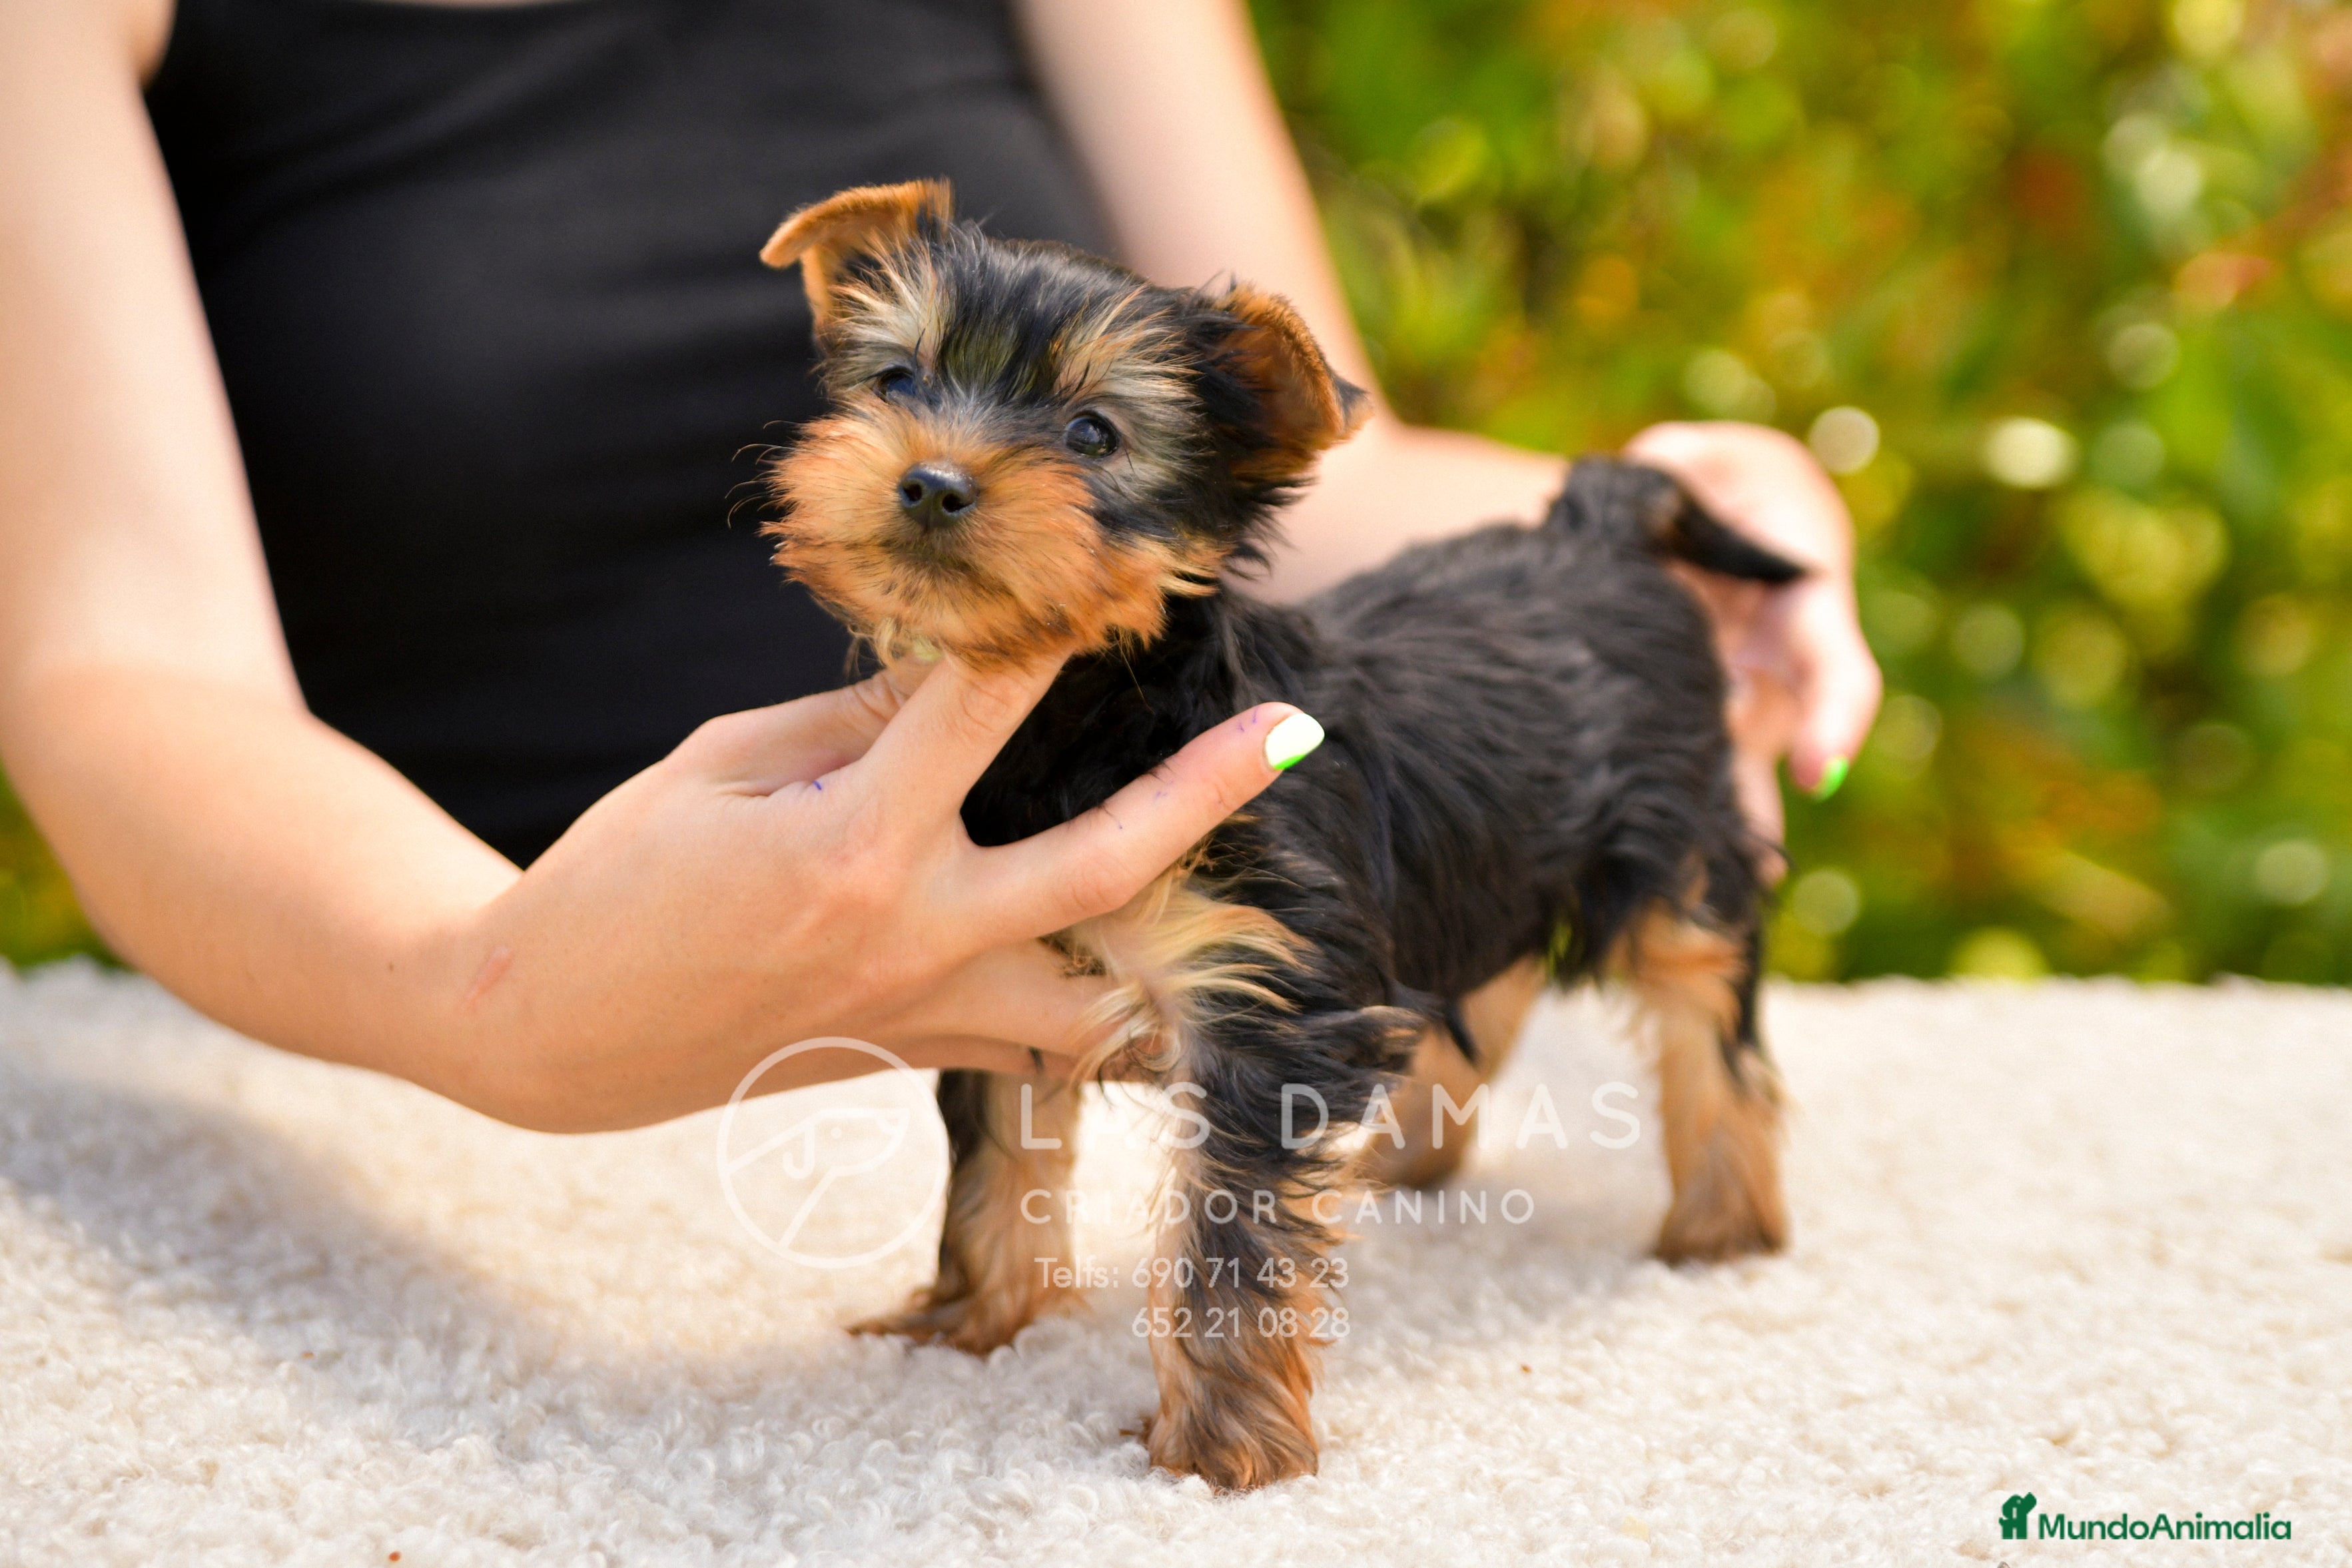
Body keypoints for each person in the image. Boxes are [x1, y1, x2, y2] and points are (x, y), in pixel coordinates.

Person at [0, 0, 1879, 1134]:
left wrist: (1635, 523)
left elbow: (1302, 467)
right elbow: (120, 668)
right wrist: (485, 993)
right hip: (442, 1091)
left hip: (1117, 1020)